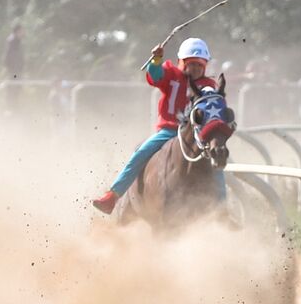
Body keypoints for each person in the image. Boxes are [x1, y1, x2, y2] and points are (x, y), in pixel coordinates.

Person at [91, 37, 224, 214]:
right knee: (140, 154)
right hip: (169, 131)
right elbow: (155, 76)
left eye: (199, 65)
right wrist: (156, 60)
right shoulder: (171, 75)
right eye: (191, 64)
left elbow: (212, 102)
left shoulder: (208, 85)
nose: (195, 69)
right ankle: (113, 196)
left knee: (218, 163)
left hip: (197, 136)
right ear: (182, 63)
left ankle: (222, 208)